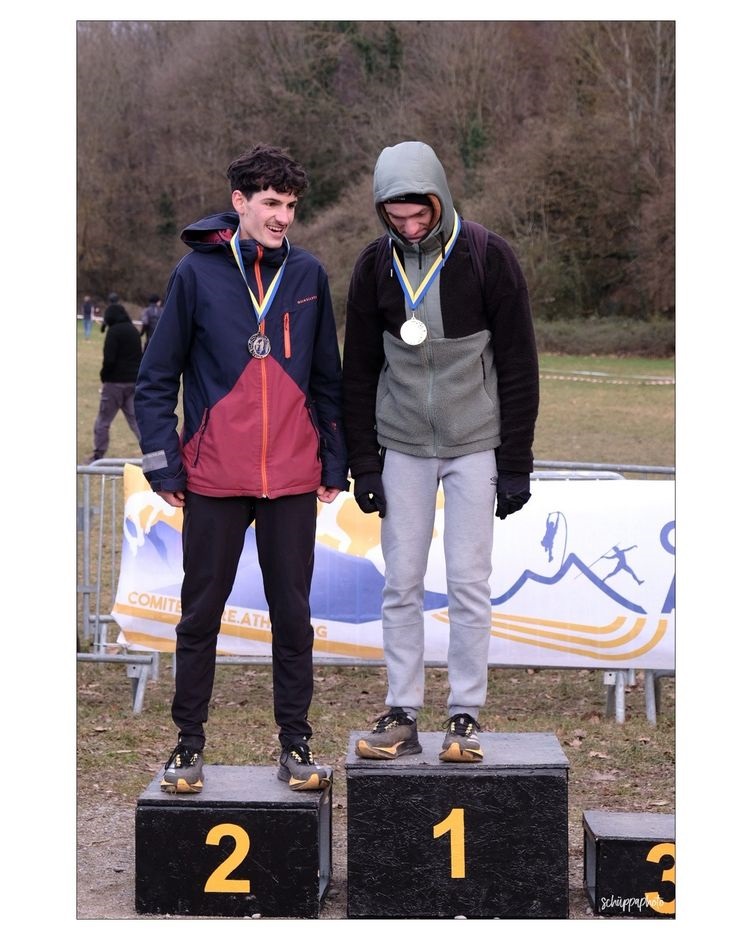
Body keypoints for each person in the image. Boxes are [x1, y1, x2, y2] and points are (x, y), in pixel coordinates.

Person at [134, 144, 348, 794]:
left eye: (291, 205)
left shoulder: (307, 274)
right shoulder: (196, 273)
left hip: (291, 478)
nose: (282, 216)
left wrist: (333, 459)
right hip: (214, 478)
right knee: (200, 617)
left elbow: (328, 381)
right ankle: (187, 747)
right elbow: (155, 379)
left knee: (293, 618)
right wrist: (164, 465)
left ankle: (296, 745)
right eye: (271, 203)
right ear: (240, 202)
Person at [343, 140, 539, 763]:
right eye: (395, 217)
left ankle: (465, 716)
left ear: (440, 198)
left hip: (475, 444)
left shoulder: (487, 256)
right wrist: (363, 463)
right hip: (401, 445)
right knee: (400, 582)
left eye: (418, 214)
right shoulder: (374, 266)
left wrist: (516, 464)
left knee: (468, 583)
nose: (408, 227)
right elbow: (357, 371)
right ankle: (401, 712)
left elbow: (519, 364)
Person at [88, 300, 142, 462]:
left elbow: (109, 360)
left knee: (103, 421)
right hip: (133, 382)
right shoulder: (134, 330)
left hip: (114, 384)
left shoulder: (114, 332)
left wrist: (104, 376)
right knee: (136, 421)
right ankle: (152, 452)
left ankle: (98, 455)